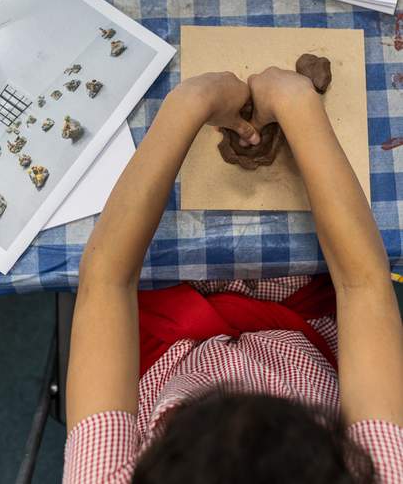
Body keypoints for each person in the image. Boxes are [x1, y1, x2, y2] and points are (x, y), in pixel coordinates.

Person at [62, 68, 403, 484]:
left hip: (171, 336)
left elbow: (107, 278)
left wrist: (188, 104)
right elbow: (363, 284)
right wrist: (299, 105)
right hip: (303, 322)